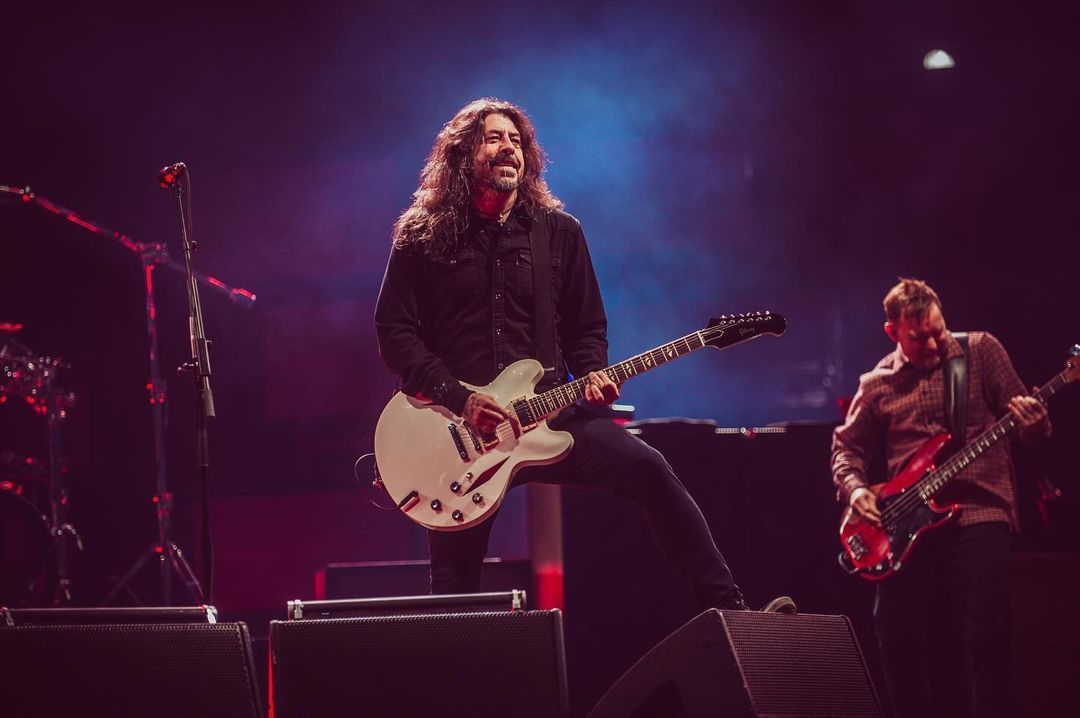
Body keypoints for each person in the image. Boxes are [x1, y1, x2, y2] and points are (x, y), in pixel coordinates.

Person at [374, 97, 794, 614]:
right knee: (456, 582)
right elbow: (395, 333)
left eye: (517, 141)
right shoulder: (423, 234)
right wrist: (461, 400)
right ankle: (457, 686)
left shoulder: (559, 233)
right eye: (494, 138)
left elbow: (586, 328)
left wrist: (593, 369)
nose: (509, 149)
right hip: (456, 429)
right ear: (463, 154)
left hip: (548, 411)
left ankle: (729, 610)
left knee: (650, 470)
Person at [831, 278, 1051, 718]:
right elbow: (846, 449)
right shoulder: (876, 384)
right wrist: (856, 489)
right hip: (904, 526)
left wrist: (1034, 422)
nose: (934, 342)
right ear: (893, 332)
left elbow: (1032, 428)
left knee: (987, 635)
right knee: (895, 639)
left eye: (938, 330)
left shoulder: (981, 351)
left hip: (980, 510)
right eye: (919, 337)